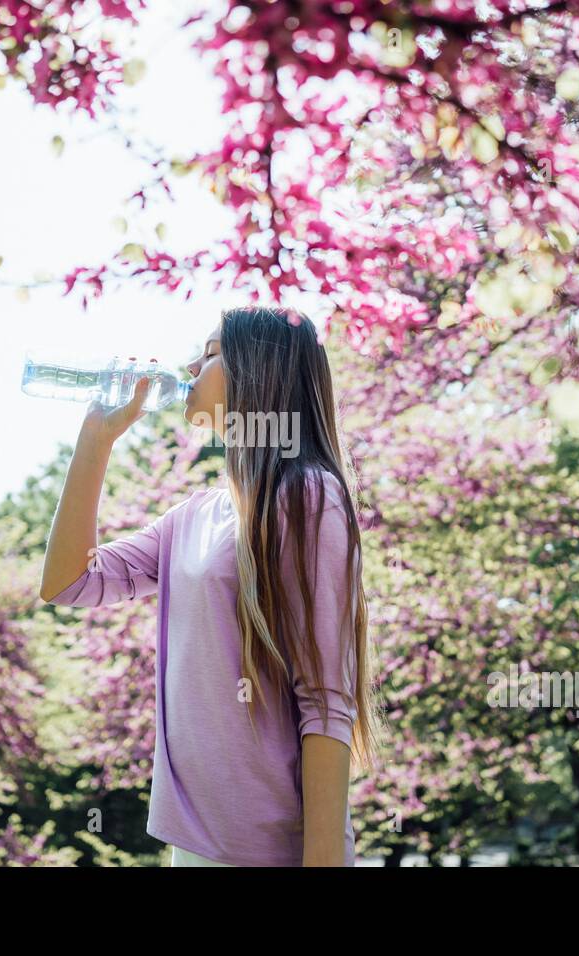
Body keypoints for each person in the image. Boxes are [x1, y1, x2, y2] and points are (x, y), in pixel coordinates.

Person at [39, 306, 384, 866]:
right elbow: (68, 582)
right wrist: (96, 439)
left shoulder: (308, 496)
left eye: (211, 352)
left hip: (274, 849)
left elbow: (325, 698)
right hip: (195, 844)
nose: (191, 367)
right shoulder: (193, 516)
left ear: (259, 369)